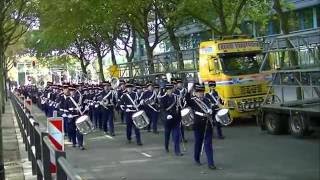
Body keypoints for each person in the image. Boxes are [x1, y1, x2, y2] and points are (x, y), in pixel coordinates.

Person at [186, 83, 218, 170]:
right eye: (198, 92)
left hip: (208, 125)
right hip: (198, 125)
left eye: (201, 91)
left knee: (208, 144)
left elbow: (214, 108)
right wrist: (189, 90)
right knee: (198, 143)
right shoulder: (193, 101)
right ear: (195, 92)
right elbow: (187, 99)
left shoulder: (207, 100)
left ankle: (211, 163)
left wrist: (212, 111)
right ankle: (197, 159)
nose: (200, 93)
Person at [160, 83, 183, 156]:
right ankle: (166, 146)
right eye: (168, 90)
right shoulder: (163, 98)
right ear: (166, 90)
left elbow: (179, 107)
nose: (170, 91)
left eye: (171, 90)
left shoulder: (176, 97)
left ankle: (177, 151)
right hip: (168, 120)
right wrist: (166, 115)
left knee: (176, 136)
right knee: (167, 135)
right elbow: (162, 109)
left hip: (175, 119)